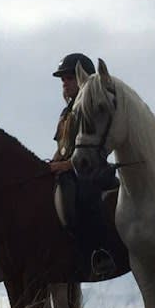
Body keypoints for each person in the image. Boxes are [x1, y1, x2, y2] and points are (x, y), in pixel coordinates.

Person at [49, 52, 116, 278]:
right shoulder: (64, 113)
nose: (64, 83)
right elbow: (62, 146)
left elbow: (94, 145)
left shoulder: (89, 108)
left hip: (90, 169)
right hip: (66, 168)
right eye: (63, 80)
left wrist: (67, 165)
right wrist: (50, 164)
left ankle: (99, 250)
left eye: (68, 78)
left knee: (85, 194)